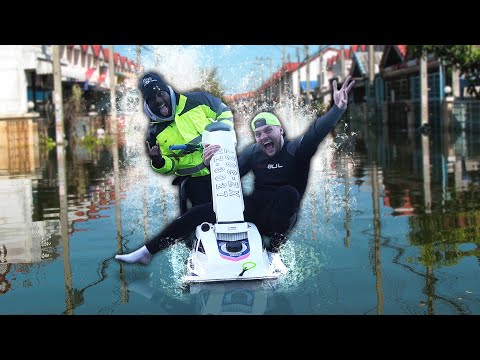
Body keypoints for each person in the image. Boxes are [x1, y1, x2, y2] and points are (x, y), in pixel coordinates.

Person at [115, 76, 355, 266]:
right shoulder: (254, 153)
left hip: (280, 221)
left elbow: (316, 131)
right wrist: (212, 163)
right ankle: (147, 251)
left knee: (289, 193)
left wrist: (337, 110)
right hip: (253, 213)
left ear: (280, 131)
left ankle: (273, 253)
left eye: (268, 131)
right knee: (202, 211)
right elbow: (228, 174)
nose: (263, 137)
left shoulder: (296, 151)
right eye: (258, 134)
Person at [140, 71, 234, 210]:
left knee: (233, 210)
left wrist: (221, 135)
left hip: (221, 169)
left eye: (160, 94)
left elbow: (223, 111)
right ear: (147, 104)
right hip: (193, 182)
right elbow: (171, 165)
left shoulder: (197, 99)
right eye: (152, 99)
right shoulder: (152, 134)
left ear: (167, 91)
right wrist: (159, 161)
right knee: (205, 215)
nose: (158, 101)